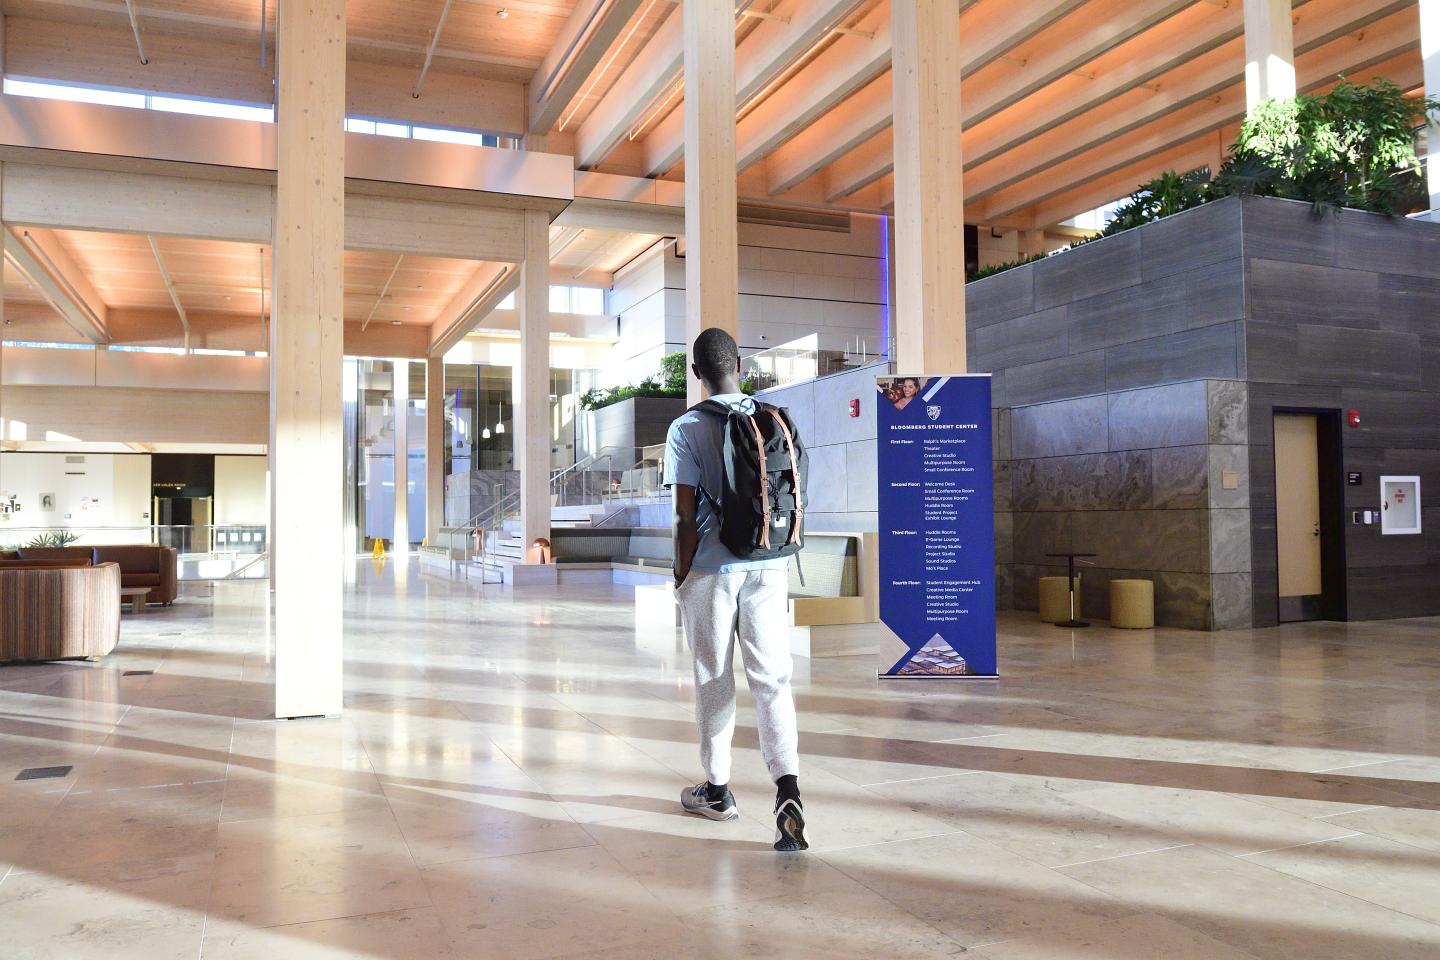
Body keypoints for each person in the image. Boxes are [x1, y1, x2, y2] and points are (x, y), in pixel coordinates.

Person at [663, 327, 807, 852]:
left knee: (714, 678)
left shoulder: (686, 427)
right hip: (771, 563)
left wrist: (680, 575)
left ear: (696, 373)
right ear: (740, 364)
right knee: (772, 678)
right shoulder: (770, 416)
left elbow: (682, 515)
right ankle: (787, 787)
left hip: (711, 570)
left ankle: (718, 791)